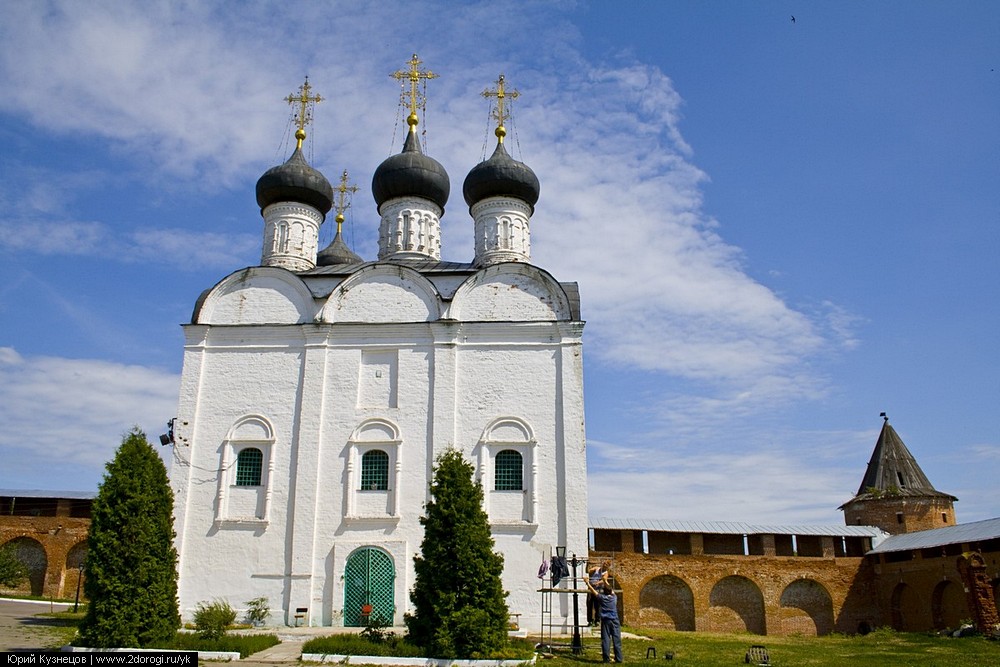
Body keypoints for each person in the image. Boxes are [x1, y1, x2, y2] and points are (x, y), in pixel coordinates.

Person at [586, 576, 622, 663]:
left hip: (606, 620)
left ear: (604, 592)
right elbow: (611, 589)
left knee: (606, 640)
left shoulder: (603, 598)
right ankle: (619, 658)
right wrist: (605, 581)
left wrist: (587, 583)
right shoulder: (614, 598)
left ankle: (606, 659)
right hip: (615, 620)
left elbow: (594, 592)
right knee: (616, 639)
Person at [586, 560, 610, 625]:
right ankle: (590, 620)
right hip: (591, 588)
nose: (604, 565)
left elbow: (604, 580)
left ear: (608, 566)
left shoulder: (606, 572)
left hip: (598, 589)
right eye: (604, 563)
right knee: (589, 604)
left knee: (597, 605)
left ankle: (597, 620)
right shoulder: (597, 568)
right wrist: (587, 565)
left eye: (606, 564)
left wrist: (597, 583)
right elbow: (588, 571)